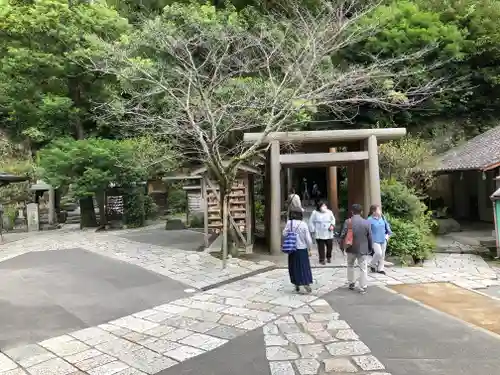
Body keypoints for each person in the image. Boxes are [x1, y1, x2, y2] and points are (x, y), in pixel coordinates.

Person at [340, 204, 373, 294]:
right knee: (363, 268)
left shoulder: (348, 222)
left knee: (350, 265)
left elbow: (342, 235)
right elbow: (370, 237)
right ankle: (363, 286)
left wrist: (342, 247)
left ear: (352, 212)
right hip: (362, 248)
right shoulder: (366, 222)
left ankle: (351, 282)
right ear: (361, 212)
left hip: (350, 247)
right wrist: (370, 247)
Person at [284, 208, 313, 293]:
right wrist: (310, 248)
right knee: (304, 267)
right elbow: (308, 239)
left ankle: (296, 284)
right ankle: (306, 283)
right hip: (302, 249)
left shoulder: (289, 223)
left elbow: (284, 233)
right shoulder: (303, 224)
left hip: (292, 248)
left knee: (293, 266)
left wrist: (290, 233)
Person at [367, 204, 392, 275]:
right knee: (378, 253)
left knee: (382, 255)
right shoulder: (369, 220)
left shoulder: (383, 218)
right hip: (374, 240)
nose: (380, 211)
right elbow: (367, 231)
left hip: (383, 239)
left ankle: (380, 269)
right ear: (373, 211)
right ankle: (372, 264)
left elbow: (388, 228)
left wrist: (387, 237)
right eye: (378, 210)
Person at [309, 200, 336, 265]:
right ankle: (322, 259)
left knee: (329, 246)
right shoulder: (314, 213)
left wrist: (332, 225)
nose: (324, 207)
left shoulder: (329, 212)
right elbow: (311, 221)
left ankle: (328, 257)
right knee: (321, 247)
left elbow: (333, 219)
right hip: (319, 231)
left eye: (325, 205)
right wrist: (313, 230)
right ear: (319, 207)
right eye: (322, 206)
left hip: (328, 231)